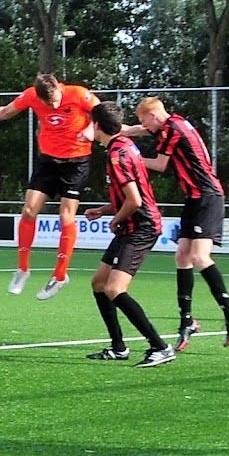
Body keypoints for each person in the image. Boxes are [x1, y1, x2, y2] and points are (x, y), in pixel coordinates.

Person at [126, 97, 229, 350]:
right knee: (182, 256)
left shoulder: (172, 128)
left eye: (143, 119)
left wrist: (131, 158)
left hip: (207, 196)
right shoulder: (172, 123)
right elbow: (138, 130)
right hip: (194, 198)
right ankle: (187, 320)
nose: (143, 125)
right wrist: (116, 130)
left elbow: (159, 164)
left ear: (153, 115)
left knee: (200, 257)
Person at [0, 73, 99, 300]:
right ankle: (22, 269)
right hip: (48, 161)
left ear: (60, 88)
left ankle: (60, 276)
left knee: (66, 217)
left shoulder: (78, 94)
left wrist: (91, 129)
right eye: (48, 104)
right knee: (29, 210)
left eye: (56, 100)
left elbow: (102, 113)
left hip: (76, 162)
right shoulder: (31, 96)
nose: (54, 106)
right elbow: (6, 111)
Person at [82, 101, 175, 368]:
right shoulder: (124, 146)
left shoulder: (117, 154)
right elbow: (131, 196)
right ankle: (118, 347)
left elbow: (134, 201)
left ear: (97, 126)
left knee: (114, 288)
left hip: (141, 226)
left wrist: (115, 219)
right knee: (99, 282)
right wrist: (104, 209)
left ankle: (160, 346)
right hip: (132, 224)